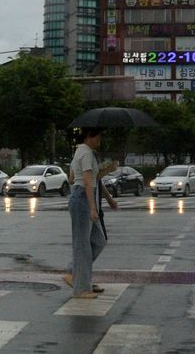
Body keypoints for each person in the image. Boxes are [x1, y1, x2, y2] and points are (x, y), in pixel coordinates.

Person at [63, 127, 117, 298]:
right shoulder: (85, 153)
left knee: (98, 241)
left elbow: (85, 178)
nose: (100, 139)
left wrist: (108, 171)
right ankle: (81, 288)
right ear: (89, 136)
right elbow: (85, 181)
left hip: (84, 197)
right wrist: (93, 208)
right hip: (82, 199)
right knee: (82, 246)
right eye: (98, 136)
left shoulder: (84, 152)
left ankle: (75, 273)